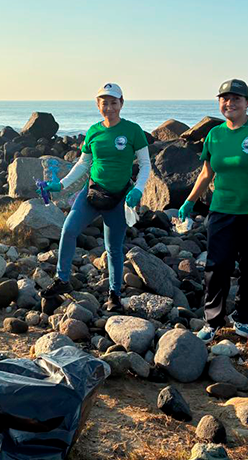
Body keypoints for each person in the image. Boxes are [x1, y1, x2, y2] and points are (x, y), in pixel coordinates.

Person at [179, 79, 248, 342]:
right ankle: (213, 321)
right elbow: (206, 173)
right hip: (222, 210)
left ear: (247, 103)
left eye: (236, 98)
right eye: (225, 99)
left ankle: (244, 318)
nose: (230, 103)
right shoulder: (215, 134)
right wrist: (189, 201)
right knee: (217, 266)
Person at [40, 83, 151, 311]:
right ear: (97, 104)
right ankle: (62, 281)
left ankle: (115, 294)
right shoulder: (93, 131)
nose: (108, 107)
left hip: (119, 197)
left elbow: (146, 164)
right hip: (92, 192)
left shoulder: (133, 130)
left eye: (113, 102)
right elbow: (84, 163)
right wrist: (60, 185)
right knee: (68, 231)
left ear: (121, 103)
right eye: (104, 102)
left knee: (113, 248)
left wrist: (138, 188)